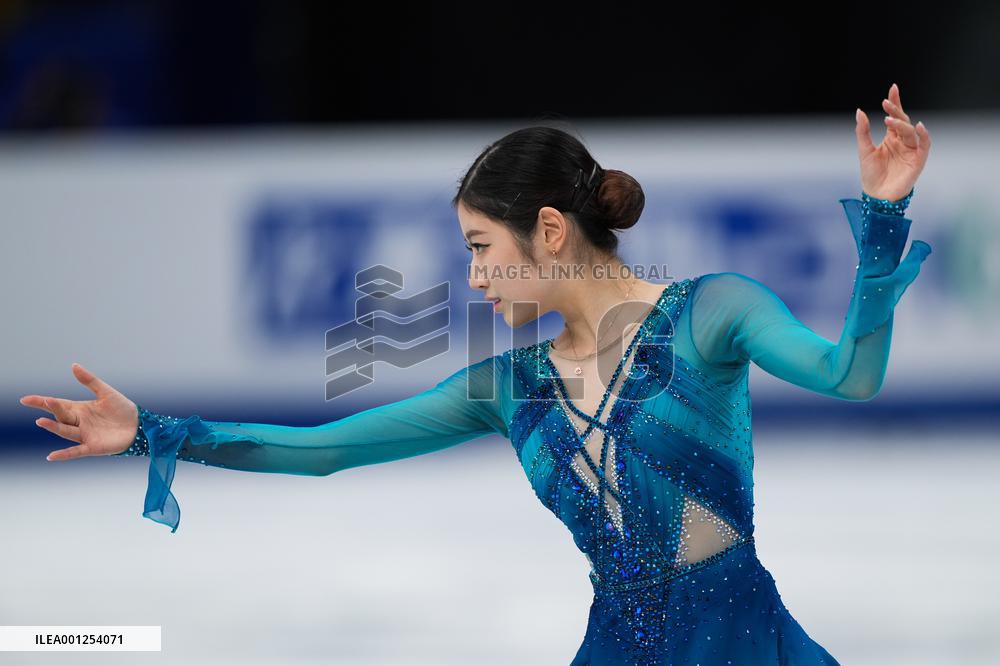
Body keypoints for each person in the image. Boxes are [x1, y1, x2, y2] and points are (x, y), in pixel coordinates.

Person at [20, 83, 931, 664]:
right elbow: (327, 451)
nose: (475, 276)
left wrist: (884, 220)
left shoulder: (713, 312)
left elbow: (849, 375)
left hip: (744, 647)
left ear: (547, 229)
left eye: (481, 247)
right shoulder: (506, 389)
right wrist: (152, 433)